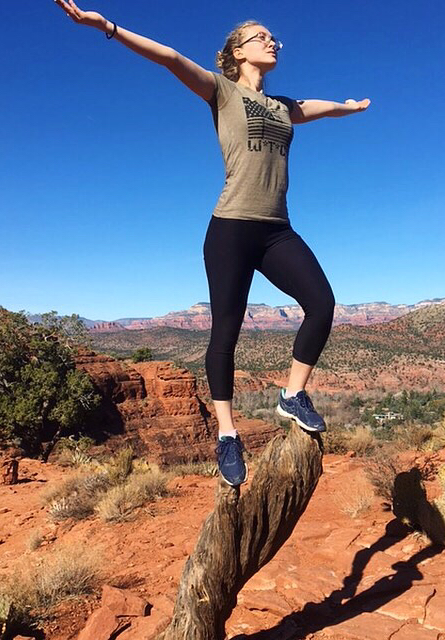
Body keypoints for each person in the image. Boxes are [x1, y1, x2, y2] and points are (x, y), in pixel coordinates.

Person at [54, 1, 370, 487]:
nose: (272, 42)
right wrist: (108, 27)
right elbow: (170, 58)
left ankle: (292, 395)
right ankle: (227, 434)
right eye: (261, 36)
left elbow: (316, 108)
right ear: (237, 52)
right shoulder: (221, 91)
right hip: (230, 228)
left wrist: (348, 108)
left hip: (276, 229)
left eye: (274, 38)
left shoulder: (283, 107)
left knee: (322, 304)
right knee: (226, 332)